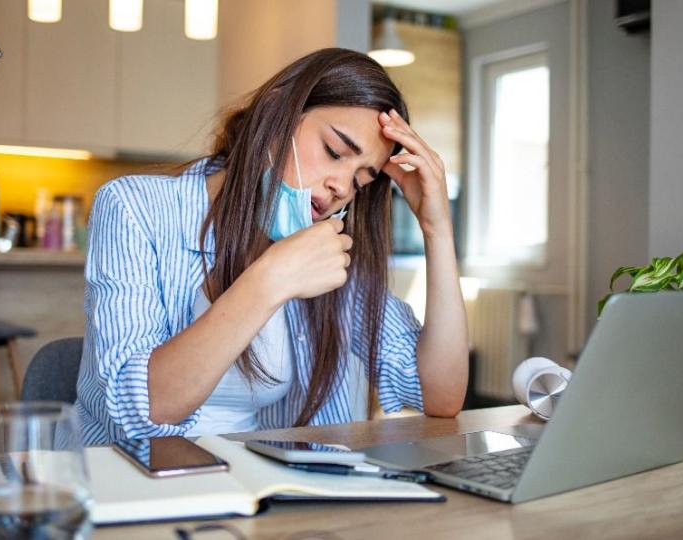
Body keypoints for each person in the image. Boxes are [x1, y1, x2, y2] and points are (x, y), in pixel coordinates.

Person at [76, 48, 469, 444]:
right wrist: (271, 278)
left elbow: (439, 394)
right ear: (276, 110)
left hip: (256, 488)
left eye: (360, 181)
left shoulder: (330, 250)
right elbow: (142, 409)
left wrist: (437, 229)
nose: (341, 187)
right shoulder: (134, 207)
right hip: (131, 484)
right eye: (334, 152)